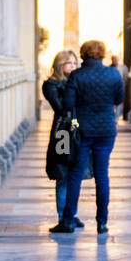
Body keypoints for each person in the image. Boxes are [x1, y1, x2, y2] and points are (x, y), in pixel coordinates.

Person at [51, 38, 123, 235]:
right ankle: (101, 222)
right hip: (106, 131)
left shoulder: (77, 76)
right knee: (102, 175)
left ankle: (67, 220)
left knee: (75, 174)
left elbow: (67, 103)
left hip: (81, 131)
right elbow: (119, 98)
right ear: (102, 55)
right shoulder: (113, 74)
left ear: (82, 54)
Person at [41, 50, 84, 227]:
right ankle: (62, 216)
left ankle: (71, 214)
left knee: (75, 174)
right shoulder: (51, 84)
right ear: (60, 65)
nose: (73, 67)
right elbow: (60, 106)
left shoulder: (75, 82)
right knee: (63, 174)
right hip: (62, 133)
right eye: (69, 63)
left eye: (75, 63)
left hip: (77, 129)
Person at [110, 53, 129, 120]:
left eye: (116, 59)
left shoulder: (123, 67)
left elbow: (126, 78)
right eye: (113, 59)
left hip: (120, 87)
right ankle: (113, 116)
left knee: (120, 102)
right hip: (111, 88)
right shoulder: (109, 68)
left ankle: (116, 117)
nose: (114, 60)